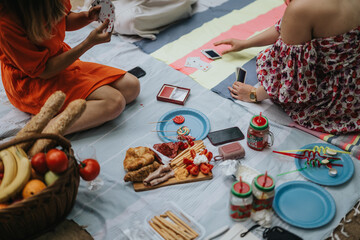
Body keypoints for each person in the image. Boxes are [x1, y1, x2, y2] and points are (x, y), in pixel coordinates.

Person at [214, 0, 360, 134]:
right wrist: (246, 43)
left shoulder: (301, 9)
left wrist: (254, 94)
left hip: (332, 98)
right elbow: (285, 27)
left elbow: (290, 78)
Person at [0, 0, 140, 135]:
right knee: (114, 102)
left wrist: (87, 16)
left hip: (61, 61)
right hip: (31, 81)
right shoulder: (6, 23)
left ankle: (67, 108)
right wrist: (87, 43)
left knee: (131, 86)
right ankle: (44, 131)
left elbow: (63, 19)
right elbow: (43, 71)